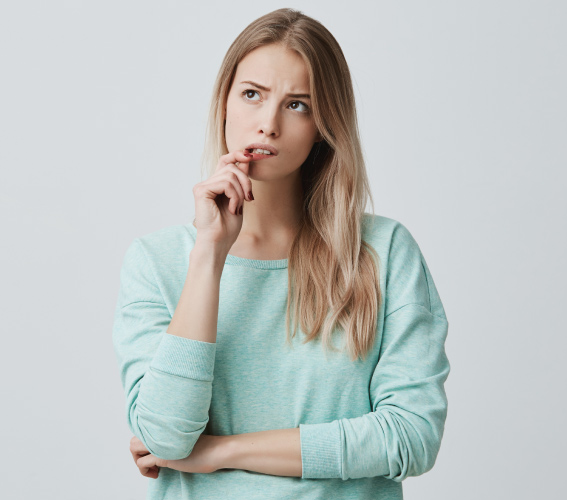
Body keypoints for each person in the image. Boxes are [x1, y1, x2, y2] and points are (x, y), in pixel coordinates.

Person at [111, 8, 450, 500]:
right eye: (252, 95)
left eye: (298, 105)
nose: (267, 124)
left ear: (324, 125)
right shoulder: (157, 261)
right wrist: (209, 255)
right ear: (224, 103)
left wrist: (222, 452)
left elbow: (411, 438)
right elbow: (166, 436)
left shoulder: (384, 253)